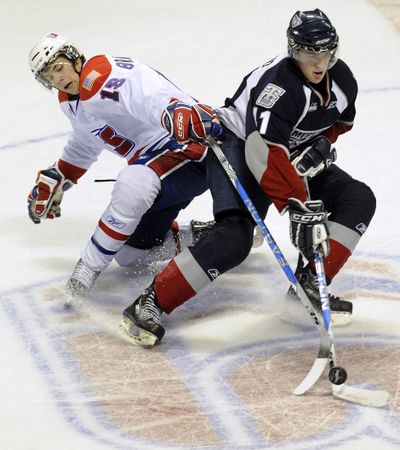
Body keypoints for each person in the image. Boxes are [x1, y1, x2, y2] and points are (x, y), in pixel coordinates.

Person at [120, 9, 376, 347]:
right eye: (307, 53)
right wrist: (296, 206)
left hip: (287, 154)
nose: (317, 62)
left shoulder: (343, 81)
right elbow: (263, 152)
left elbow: (338, 123)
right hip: (239, 146)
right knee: (235, 238)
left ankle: (309, 286)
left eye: (325, 53)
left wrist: (321, 145)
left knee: (358, 198)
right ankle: (149, 303)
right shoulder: (278, 88)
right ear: (293, 51)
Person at [27, 32, 223, 297]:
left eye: (59, 68)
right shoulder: (71, 100)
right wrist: (62, 173)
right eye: (49, 77)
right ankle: (208, 236)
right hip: (162, 167)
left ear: (74, 58)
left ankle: (88, 268)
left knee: (133, 183)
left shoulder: (100, 74)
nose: (58, 79)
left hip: (187, 147)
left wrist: (172, 110)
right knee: (131, 255)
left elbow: (143, 91)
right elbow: (86, 140)